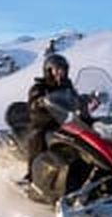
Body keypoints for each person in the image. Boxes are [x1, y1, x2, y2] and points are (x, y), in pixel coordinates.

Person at [24, 53, 77, 181]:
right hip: (44, 122)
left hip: (64, 122)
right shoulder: (39, 87)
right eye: (57, 69)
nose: (60, 73)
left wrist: (89, 101)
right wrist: (39, 102)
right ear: (48, 71)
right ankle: (31, 175)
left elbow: (76, 100)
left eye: (63, 69)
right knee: (37, 137)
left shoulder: (68, 87)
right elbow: (33, 103)